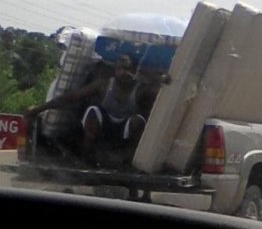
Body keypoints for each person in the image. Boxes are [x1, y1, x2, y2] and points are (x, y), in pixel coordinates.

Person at [25, 54, 170, 163]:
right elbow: (71, 97)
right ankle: (86, 159)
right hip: (104, 125)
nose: (122, 72)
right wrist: (39, 109)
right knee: (93, 111)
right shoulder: (104, 85)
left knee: (138, 121)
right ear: (115, 70)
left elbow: (165, 92)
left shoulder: (141, 90)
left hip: (126, 126)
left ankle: (129, 162)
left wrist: (159, 78)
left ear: (134, 71)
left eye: (127, 69)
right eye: (119, 68)